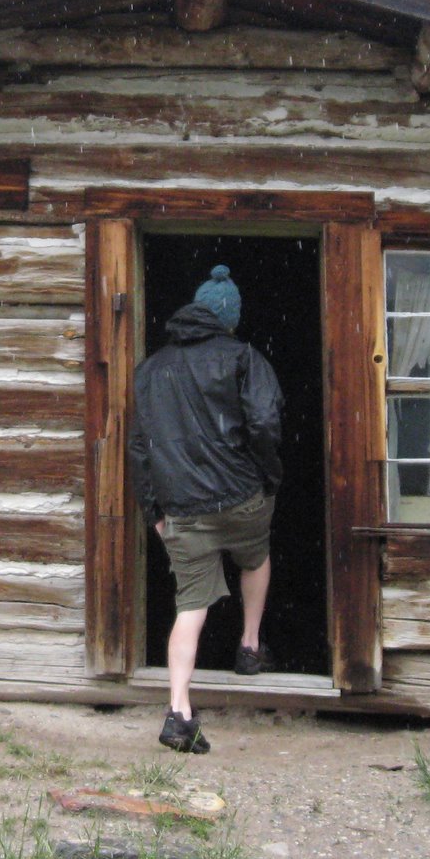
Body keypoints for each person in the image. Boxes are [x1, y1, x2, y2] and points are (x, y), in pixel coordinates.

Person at [129, 264, 284, 754]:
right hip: (242, 499)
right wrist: (267, 475)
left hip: (182, 511)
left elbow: (138, 447)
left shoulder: (151, 369)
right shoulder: (243, 357)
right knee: (255, 557)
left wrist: (152, 508)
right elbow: (264, 422)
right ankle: (250, 646)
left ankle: (179, 711)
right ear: (228, 319)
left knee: (190, 607)